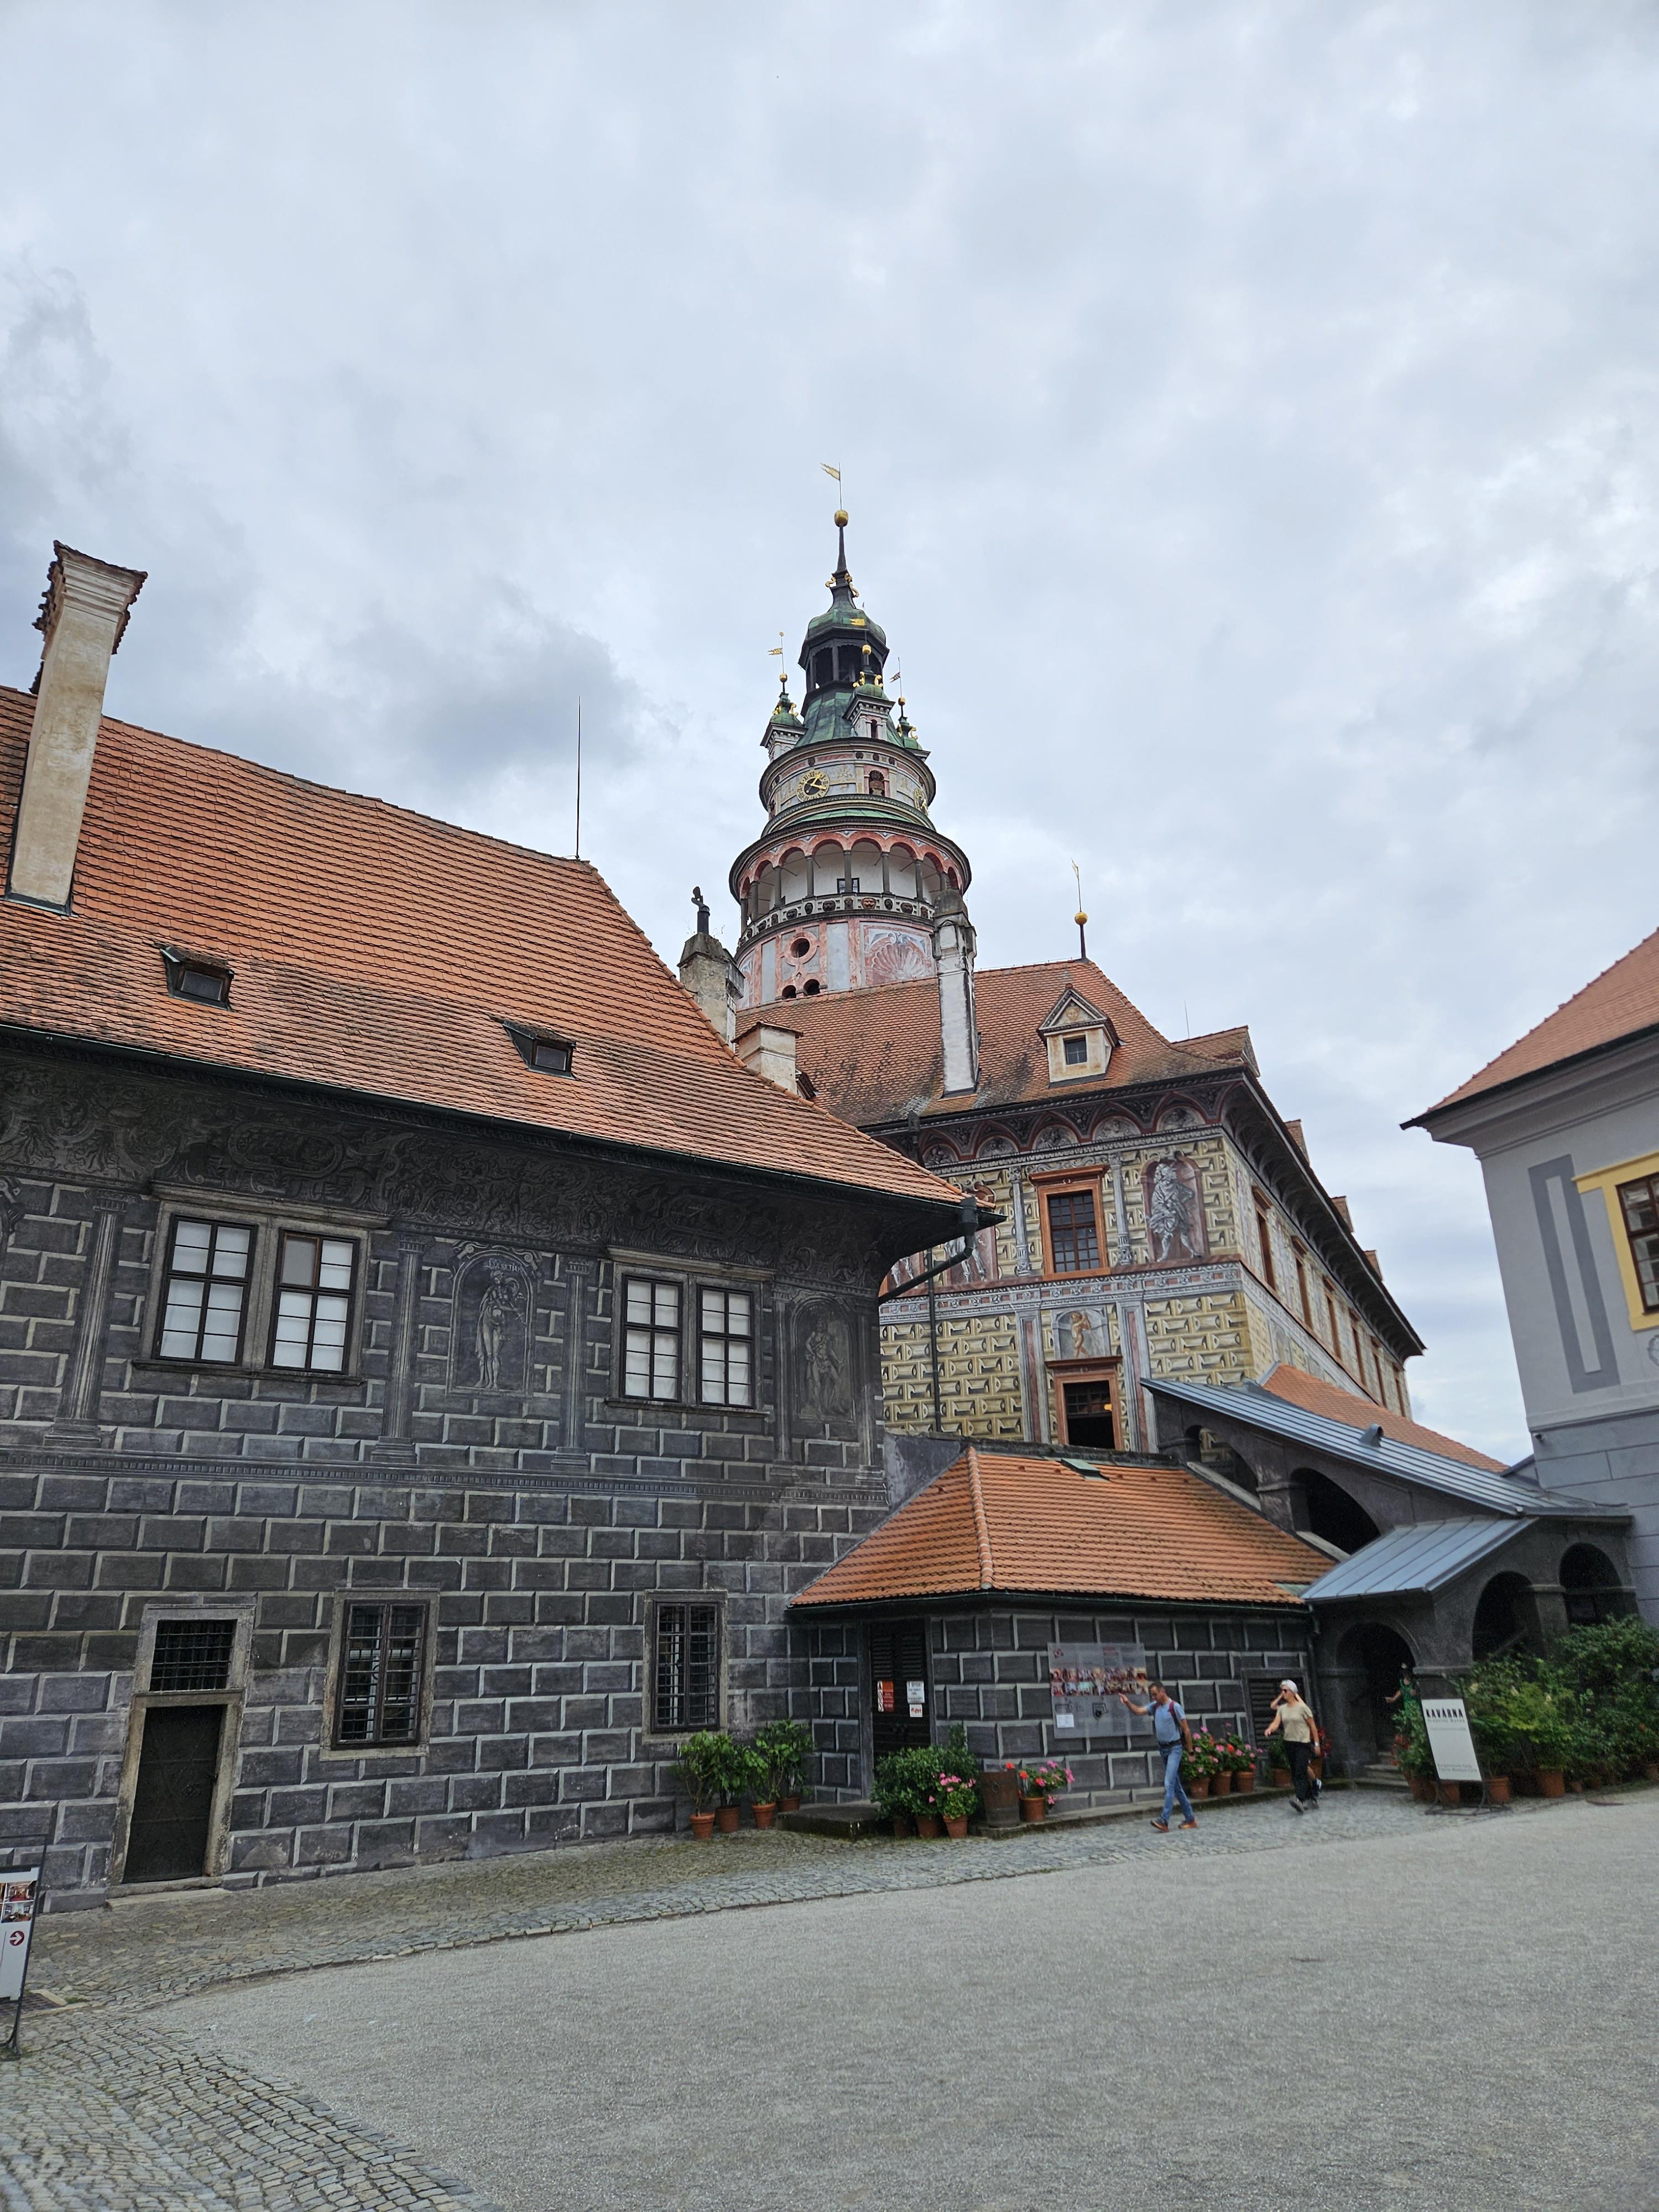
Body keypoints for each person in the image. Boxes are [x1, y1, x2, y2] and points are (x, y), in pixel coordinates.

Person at [1124, 1681, 1198, 1834]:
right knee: (1176, 1787)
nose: (1154, 1697)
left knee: (1169, 1784)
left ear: (1163, 1691)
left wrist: (1191, 1752)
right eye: (1152, 1695)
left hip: (1175, 1748)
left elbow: (1186, 1730)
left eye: (1155, 1694)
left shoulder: (1175, 1707)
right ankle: (1190, 1819)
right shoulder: (1155, 1706)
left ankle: (1164, 1820)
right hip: (1163, 1749)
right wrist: (1127, 1702)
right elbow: (1138, 1711)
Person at [1265, 1679, 1320, 1812]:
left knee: (1301, 1770)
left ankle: (1300, 1800)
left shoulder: (1302, 1708)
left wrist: (1317, 1744)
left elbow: (1313, 1726)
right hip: (1289, 1743)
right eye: (1282, 1691)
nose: (1283, 1693)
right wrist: (1270, 1729)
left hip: (1303, 1743)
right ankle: (1311, 1797)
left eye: (1285, 1691)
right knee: (1296, 1772)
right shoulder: (1282, 1709)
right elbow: (1276, 1723)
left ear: (1292, 1692)